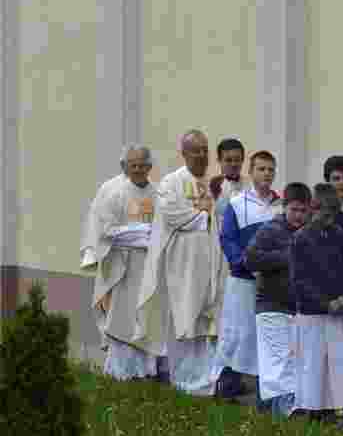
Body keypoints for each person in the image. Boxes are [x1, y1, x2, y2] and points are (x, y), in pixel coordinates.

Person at [134, 129, 226, 396]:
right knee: (184, 318)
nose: (201, 155)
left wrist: (210, 214)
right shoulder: (171, 182)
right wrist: (203, 216)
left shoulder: (212, 184)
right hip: (182, 265)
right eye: (195, 150)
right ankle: (183, 379)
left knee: (205, 321)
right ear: (184, 153)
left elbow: (220, 214)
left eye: (204, 150)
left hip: (210, 263)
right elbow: (171, 213)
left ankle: (204, 380)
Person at [80, 144, 158, 380]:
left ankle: (146, 370)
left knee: (145, 317)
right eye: (133, 165)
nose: (138, 170)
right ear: (125, 167)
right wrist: (139, 233)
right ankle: (120, 372)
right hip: (122, 267)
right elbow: (105, 230)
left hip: (147, 267)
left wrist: (148, 235)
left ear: (150, 167)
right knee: (121, 319)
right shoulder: (115, 193)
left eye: (142, 165)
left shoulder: (157, 194)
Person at [212, 151, 281, 399]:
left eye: (271, 170)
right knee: (237, 333)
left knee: (266, 334)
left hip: (271, 284)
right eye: (261, 169)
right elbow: (228, 239)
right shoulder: (237, 203)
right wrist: (246, 264)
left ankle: (267, 391)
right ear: (251, 172)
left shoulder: (280, 205)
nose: (266, 174)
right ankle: (226, 385)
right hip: (243, 281)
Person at [290, 183, 343, 420]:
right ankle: (312, 409)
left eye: (333, 214)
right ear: (313, 208)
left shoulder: (339, 235)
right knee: (313, 363)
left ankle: (333, 408)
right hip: (312, 313)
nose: (329, 220)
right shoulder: (301, 238)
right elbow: (300, 280)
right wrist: (324, 303)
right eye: (325, 214)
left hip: (337, 311)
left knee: (336, 363)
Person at [245, 181, 311, 417]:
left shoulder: (310, 232)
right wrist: (286, 257)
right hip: (271, 306)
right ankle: (283, 412)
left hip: (297, 309)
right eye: (294, 209)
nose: (298, 215)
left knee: (291, 363)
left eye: (303, 211)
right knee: (277, 362)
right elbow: (251, 258)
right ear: (284, 207)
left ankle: (273, 411)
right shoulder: (271, 230)